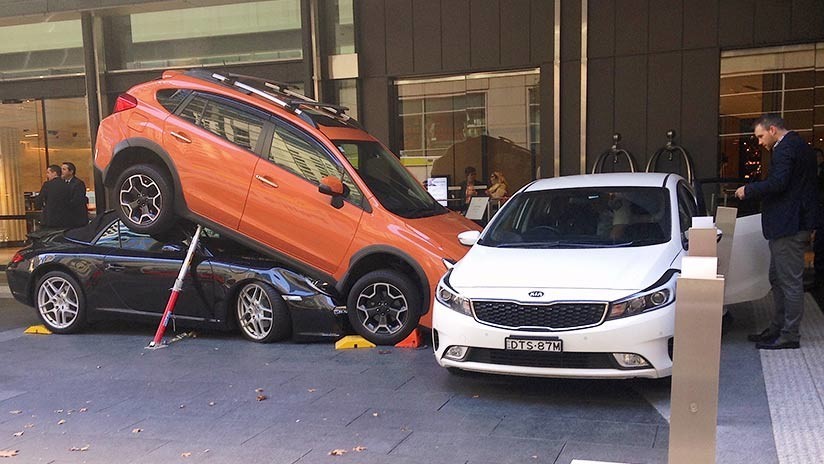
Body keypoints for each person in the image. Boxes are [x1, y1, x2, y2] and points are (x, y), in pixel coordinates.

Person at [735, 114, 818, 350]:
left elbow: (779, 183)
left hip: (789, 226)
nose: (760, 142)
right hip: (790, 224)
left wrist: (748, 190)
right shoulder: (798, 146)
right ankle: (777, 328)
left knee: (789, 282)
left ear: (772, 130)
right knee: (778, 278)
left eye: (761, 136)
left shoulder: (786, 149)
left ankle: (789, 334)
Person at [35, 164, 71, 229]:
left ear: (54, 173)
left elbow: (39, 199)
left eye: (48, 173)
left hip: (50, 218)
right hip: (65, 219)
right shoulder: (67, 185)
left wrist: (38, 206)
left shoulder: (48, 185)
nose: (47, 175)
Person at [61, 161, 89, 228]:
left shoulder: (78, 183)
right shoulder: (62, 183)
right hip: (67, 218)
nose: (61, 171)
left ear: (71, 171)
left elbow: (77, 200)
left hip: (77, 217)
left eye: (64, 169)